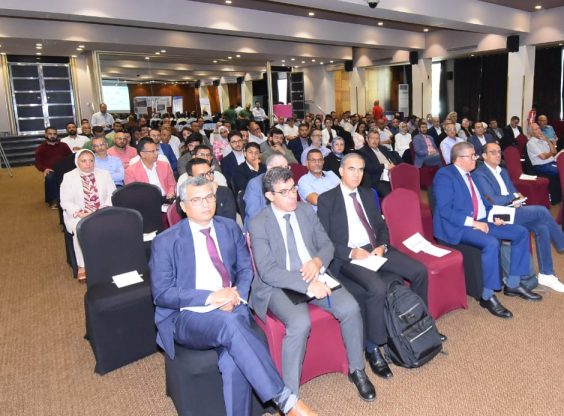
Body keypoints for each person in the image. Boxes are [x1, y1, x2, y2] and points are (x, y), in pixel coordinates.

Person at [149, 176, 317, 416]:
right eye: (196, 200)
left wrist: (236, 295)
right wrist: (212, 297)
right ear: (183, 206)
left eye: (209, 197)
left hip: (233, 305)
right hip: (187, 315)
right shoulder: (166, 241)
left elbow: (246, 268)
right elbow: (162, 293)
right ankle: (286, 401)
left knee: (233, 357)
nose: (205, 203)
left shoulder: (228, 227)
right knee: (231, 325)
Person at [248, 167, 375, 400]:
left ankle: (357, 369)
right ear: (269, 196)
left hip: (315, 273)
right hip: (279, 283)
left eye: (293, 189)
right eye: (284, 192)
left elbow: (327, 245)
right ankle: (289, 398)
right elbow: (267, 271)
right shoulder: (258, 223)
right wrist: (306, 285)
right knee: (300, 323)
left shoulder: (306, 210)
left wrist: (317, 262)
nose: (292, 196)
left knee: (351, 308)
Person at [317, 153, 436, 379]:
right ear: (341, 171)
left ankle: (420, 324)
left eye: (361, 170)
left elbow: (381, 226)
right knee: (377, 288)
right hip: (350, 256)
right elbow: (325, 240)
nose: (357, 174)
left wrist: (382, 245)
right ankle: (373, 347)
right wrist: (352, 252)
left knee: (419, 271)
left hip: (376, 249)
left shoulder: (367, 193)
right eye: (351, 169)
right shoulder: (327, 199)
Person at [432, 141, 540, 319]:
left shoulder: (470, 175)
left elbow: (483, 203)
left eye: (475, 155)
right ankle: (487, 295)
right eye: (472, 156)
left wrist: (494, 216)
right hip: (457, 226)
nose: (475, 158)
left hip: (481, 219)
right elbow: (445, 210)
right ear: (459, 159)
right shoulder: (445, 175)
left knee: (520, 232)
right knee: (491, 243)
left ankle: (513, 284)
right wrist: (474, 223)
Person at [472, 143, 564, 293]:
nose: (498, 155)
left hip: (511, 209)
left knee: (542, 227)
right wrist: (514, 197)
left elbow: (515, 192)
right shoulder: (479, 174)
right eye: (493, 152)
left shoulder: (503, 171)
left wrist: (516, 199)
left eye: (499, 152)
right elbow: (494, 200)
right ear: (484, 156)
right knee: (541, 211)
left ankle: (547, 274)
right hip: (496, 214)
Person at [60, 149, 116, 281]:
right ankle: (82, 265)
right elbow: (65, 201)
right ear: (77, 162)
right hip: (79, 214)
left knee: (114, 226)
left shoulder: (104, 174)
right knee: (79, 229)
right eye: (84, 161)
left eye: (91, 160)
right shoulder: (68, 177)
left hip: (102, 212)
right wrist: (79, 213)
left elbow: (112, 194)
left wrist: (103, 209)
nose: (88, 164)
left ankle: (110, 259)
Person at [243, 154, 289, 223]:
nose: (284, 171)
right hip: (261, 224)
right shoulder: (255, 184)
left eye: (286, 167)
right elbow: (253, 214)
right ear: (269, 168)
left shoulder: (287, 182)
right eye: (280, 167)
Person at [34, 126, 72, 209]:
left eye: (54, 134)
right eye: (50, 134)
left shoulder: (64, 145)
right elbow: (38, 163)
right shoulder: (41, 148)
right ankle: (54, 200)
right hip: (51, 170)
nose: (52, 136)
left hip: (64, 169)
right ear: (45, 135)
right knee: (50, 177)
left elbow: (70, 157)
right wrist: (44, 169)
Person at [357, 129, 401, 199]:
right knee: (388, 192)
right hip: (377, 179)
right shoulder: (362, 151)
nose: (375, 141)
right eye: (372, 138)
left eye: (377, 138)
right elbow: (368, 167)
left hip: (391, 174)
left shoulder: (383, 148)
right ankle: (391, 205)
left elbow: (393, 159)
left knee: (403, 185)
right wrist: (385, 166)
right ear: (367, 139)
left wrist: (392, 164)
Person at [526, 123, 562, 204]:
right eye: (536, 129)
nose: (539, 130)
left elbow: (555, 151)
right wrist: (551, 153)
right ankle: (555, 199)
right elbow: (543, 157)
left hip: (551, 162)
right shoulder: (531, 143)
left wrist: (547, 140)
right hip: (540, 166)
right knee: (557, 171)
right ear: (531, 132)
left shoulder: (543, 140)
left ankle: (563, 196)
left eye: (539, 128)